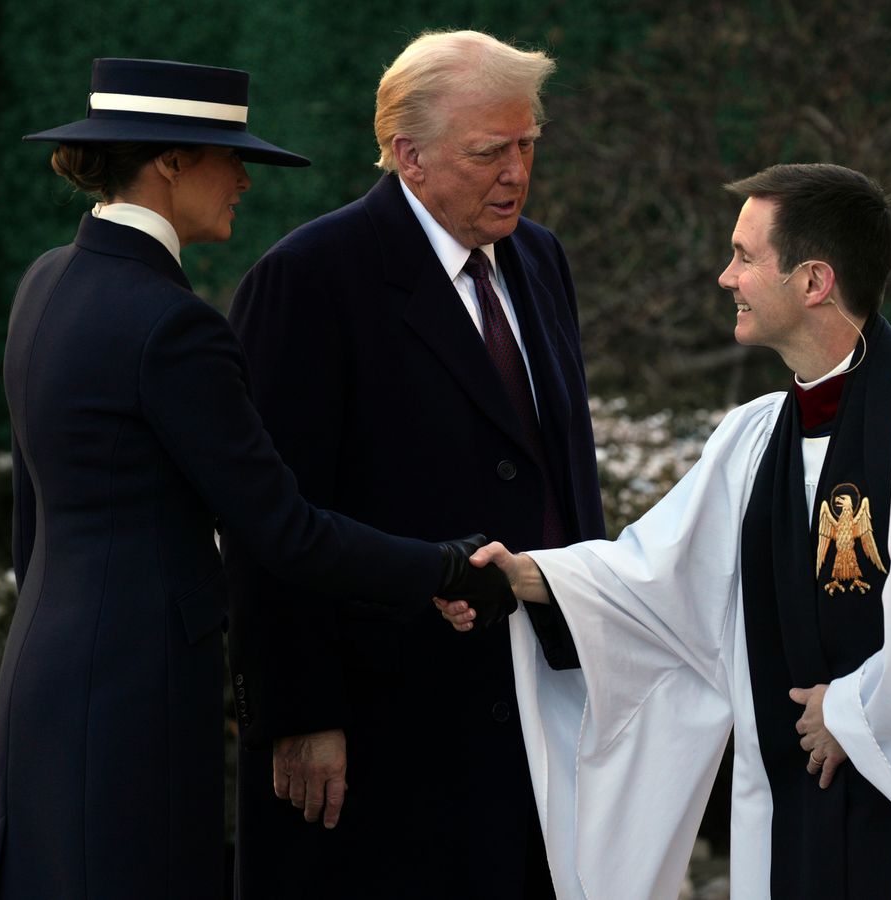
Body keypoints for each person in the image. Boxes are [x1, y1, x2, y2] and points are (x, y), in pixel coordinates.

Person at [440, 164, 891, 898]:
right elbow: (660, 580)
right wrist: (528, 575)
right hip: (792, 815)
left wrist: (853, 711)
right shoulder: (755, 439)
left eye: (744, 257)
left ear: (813, 282)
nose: (724, 277)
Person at [0, 58, 513, 900]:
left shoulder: (47, 281)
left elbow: (34, 520)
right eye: (226, 157)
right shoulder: (172, 326)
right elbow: (282, 529)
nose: (240, 179)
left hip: (42, 681)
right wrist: (448, 567)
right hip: (137, 693)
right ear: (168, 161)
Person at [223, 30, 605, 899]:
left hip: (538, 700)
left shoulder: (541, 258)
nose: (516, 172)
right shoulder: (310, 279)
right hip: (384, 718)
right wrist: (299, 712)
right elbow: (268, 518)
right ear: (409, 156)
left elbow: (560, 472)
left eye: (527, 146)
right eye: (488, 152)